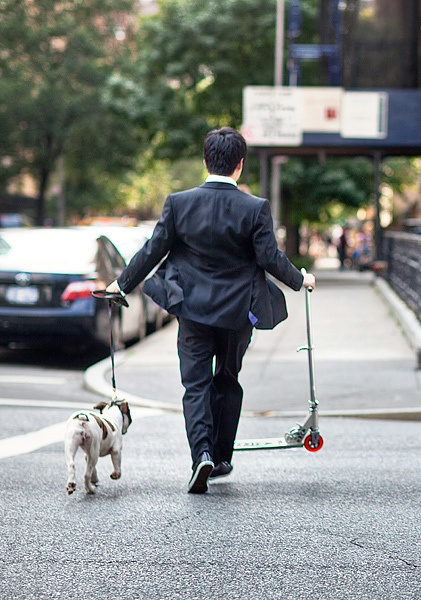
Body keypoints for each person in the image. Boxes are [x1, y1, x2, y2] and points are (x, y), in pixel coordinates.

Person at [108, 127, 315, 494]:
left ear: (206, 161)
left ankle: (200, 454)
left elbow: (152, 251)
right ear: (240, 165)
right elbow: (269, 258)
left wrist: (121, 284)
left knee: (195, 384)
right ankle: (220, 457)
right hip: (238, 314)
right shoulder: (256, 208)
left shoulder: (179, 202)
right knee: (228, 379)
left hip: (192, 310)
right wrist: (301, 280)